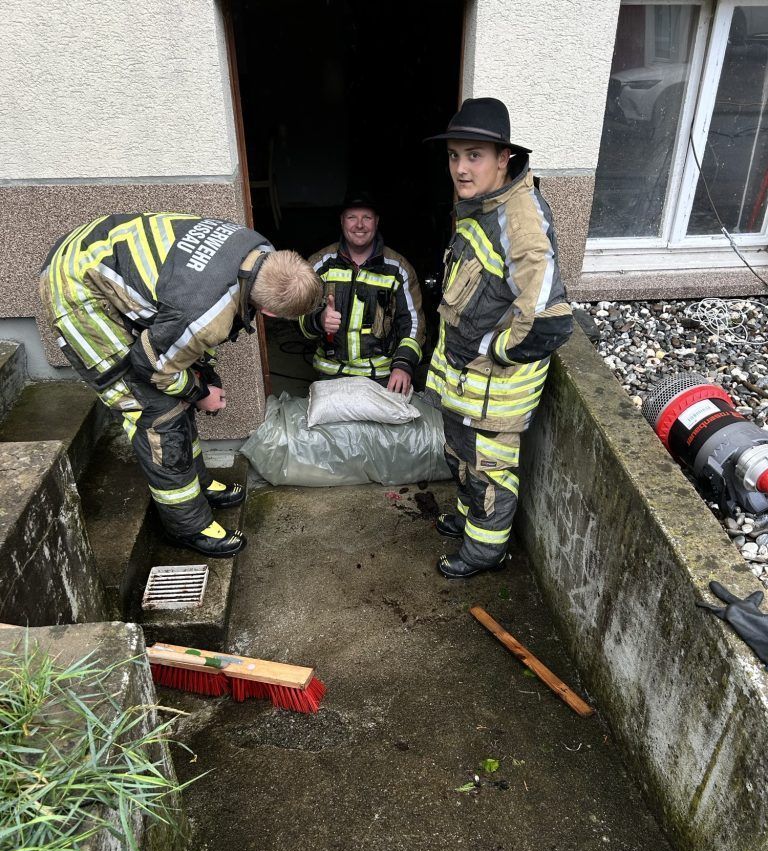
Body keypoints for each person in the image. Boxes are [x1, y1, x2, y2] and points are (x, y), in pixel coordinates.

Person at [39, 213, 322, 557]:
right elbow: (153, 367)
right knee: (157, 413)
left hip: (96, 247)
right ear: (273, 314)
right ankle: (188, 527)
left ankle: (199, 484)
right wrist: (200, 393)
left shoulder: (258, 250)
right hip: (76, 287)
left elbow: (194, 332)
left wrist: (204, 378)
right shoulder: (201, 311)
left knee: (182, 388)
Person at [425, 98, 573, 579]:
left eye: (474, 155)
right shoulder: (487, 205)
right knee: (461, 457)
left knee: (488, 470)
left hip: (495, 392)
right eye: (454, 156)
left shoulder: (521, 217)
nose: (461, 169)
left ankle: (485, 553)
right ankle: (471, 522)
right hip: (467, 385)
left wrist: (495, 349)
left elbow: (550, 318)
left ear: (503, 157)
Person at [298, 192, 425, 392]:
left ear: (377, 222)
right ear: (342, 221)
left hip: (383, 376)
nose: (359, 225)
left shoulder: (398, 268)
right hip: (331, 374)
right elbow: (299, 317)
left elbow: (413, 323)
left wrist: (403, 365)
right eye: (352, 217)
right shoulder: (319, 264)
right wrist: (319, 319)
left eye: (366, 217)